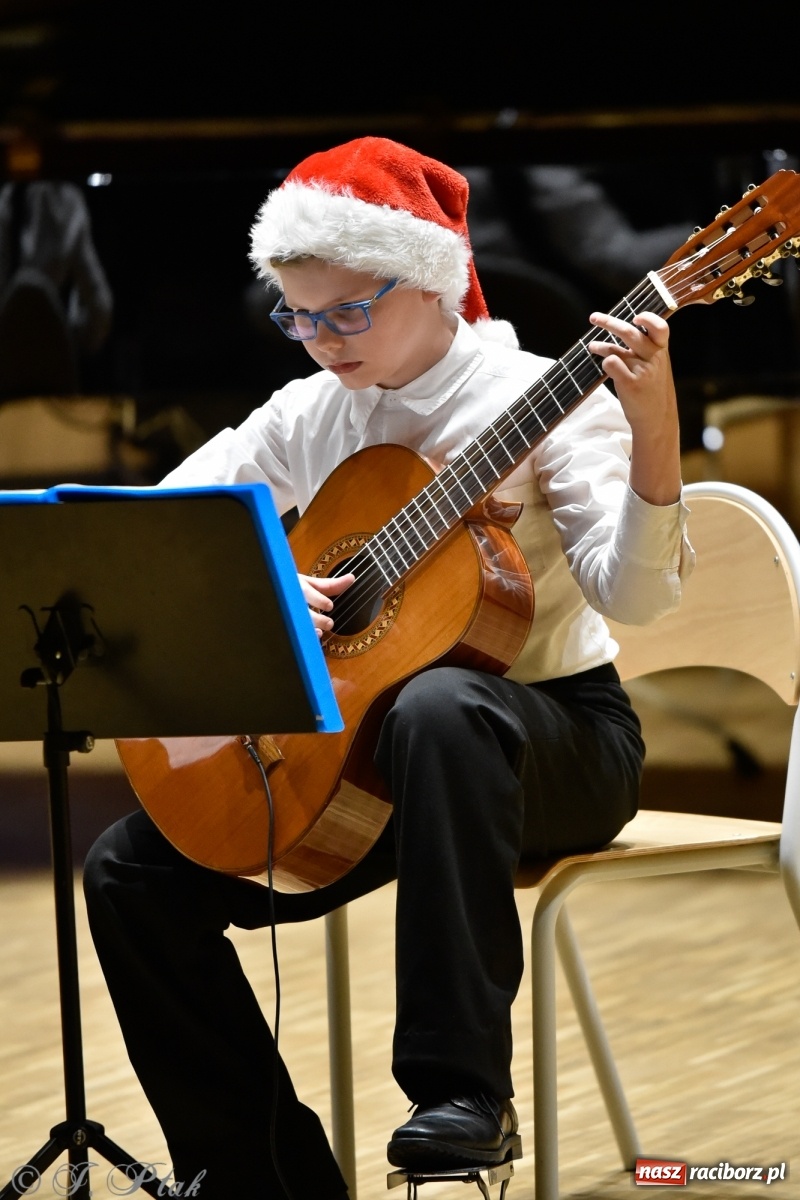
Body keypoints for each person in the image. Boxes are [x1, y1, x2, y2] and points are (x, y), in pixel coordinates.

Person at [83, 136, 693, 1199]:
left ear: (429, 281)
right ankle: (262, 1178)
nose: (320, 340)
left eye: (346, 313)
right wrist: (263, 588)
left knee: (443, 705)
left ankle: (461, 1098)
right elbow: (158, 533)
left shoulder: (540, 395)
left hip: (553, 742)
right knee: (127, 873)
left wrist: (653, 431)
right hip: (370, 762)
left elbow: (634, 598)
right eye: (296, 317)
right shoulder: (308, 414)